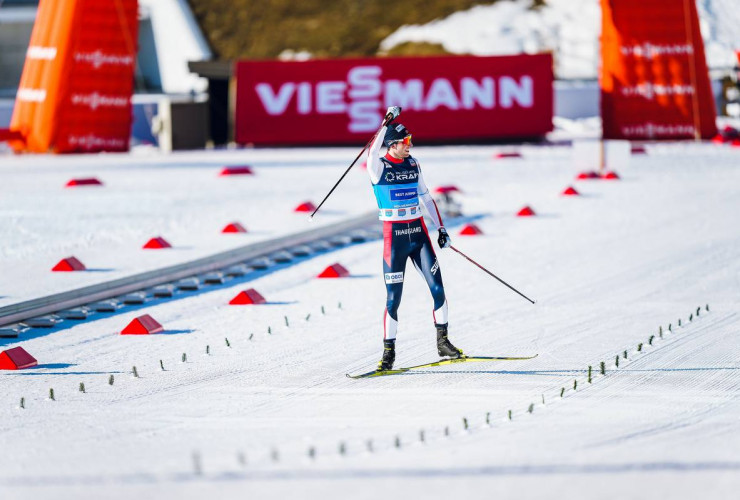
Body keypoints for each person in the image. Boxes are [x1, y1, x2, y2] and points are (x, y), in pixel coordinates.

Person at [366, 106, 463, 371]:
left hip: (418, 235)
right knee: (392, 299)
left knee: (438, 289)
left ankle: (443, 342)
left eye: (411, 141)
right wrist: (386, 122)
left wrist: (441, 229)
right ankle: (388, 353)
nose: (410, 145)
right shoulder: (378, 167)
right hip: (394, 238)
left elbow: (426, 198)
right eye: (406, 142)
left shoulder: (413, 163)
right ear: (392, 144)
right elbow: (371, 151)